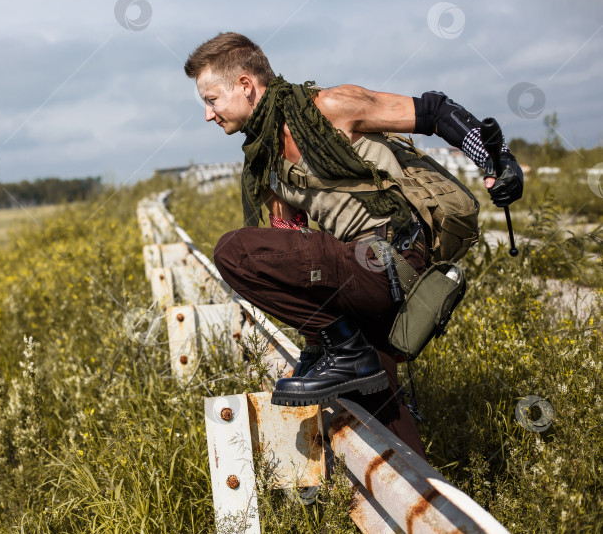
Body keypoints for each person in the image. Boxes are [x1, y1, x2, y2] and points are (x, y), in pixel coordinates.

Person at [183, 32, 523, 456]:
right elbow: (290, 248)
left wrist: (498, 161)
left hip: (390, 259)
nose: (208, 114)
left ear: (246, 85)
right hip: (354, 273)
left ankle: (346, 349)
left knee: (232, 252)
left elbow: (435, 111)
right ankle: (424, 494)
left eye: (211, 99)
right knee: (378, 410)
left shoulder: (330, 107)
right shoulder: (266, 160)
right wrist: (314, 341)